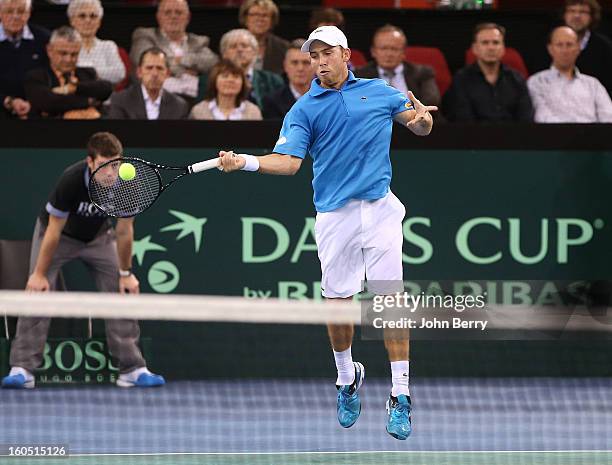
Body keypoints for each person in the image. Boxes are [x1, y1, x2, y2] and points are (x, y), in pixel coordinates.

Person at [217, 25, 437, 441]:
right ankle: (346, 377)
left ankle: (400, 394)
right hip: (335, 216)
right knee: (339, 307)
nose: (318, 61)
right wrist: (244, 161)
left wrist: (423, 120)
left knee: (392, 301)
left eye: (325, 53)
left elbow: (419, 125)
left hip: (380, 210)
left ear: (345, 55)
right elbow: (288, 163)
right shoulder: (303, 110)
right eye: (312, 56)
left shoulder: (381, 91)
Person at [1, 132, 165, 390]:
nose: (112, 172)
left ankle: (132, 368)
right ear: (90, 162)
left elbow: (124, 231)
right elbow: (53, 231)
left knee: (120, 292)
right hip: (58, 236)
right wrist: (40, 274)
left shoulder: (126, 182)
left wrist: (125, 272)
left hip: (98, 238)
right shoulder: (72, 179)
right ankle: (22, 368)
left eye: (116, 164)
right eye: (105, 165)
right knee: (37, 292)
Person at [129, 0, 218, 102]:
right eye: (168, 12)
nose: (173, 17)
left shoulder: (198, 41)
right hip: (155, 96)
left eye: (178, 12)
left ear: (188, 17)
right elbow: (145, 61)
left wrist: (182, 60)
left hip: (194, 99)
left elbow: (213, 62)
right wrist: (184, 71)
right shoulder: (145, 35)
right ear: (158, 17)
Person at [443, 23, 533, 122]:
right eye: (485, 43)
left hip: (514, 136)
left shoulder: (517, 79)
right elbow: (462, 119)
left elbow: (526, 118)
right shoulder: (461, 79)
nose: (491, 48)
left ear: (503, 48)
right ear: (475, 48)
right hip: (473, 135)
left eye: (496, 42)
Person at [24, 26, 112, 119]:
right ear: (49, 50)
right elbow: (49, 103)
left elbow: (106, 88)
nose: (68, 59)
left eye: (74, 54)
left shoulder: (88, 73)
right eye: (63, 53)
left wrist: (73, 88)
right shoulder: (35, 76)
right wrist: (88, 101)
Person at [527, 26, 612, 123]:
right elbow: (542, 117)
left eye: (569, 45)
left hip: (593, 136)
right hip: (553, 135)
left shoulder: (593, 84)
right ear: (550, 49)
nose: (565, 50)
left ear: (578, 48)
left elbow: (608, 117)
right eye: (559, 45)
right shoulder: (537, 82)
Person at [355, 24, 440, 110]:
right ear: (373, 51)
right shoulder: (360, 76)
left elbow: (432, 101)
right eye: (383, 48)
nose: (389, 54)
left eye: (394, 49)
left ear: (404, 52)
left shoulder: (422, 73)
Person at [0, 0, 50, 119]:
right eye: (9, 11)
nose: (15, 16)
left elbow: (51, 76)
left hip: (37, 108)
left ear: (29, 13)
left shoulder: (45, 39)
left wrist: (33, 104)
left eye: (21, 11)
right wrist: (8, 101)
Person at [108, 47, 188, 120]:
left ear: (167, 74)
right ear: (139, 72)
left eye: (159, 68)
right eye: (149, 68)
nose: (154, 74)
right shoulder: (120, 100)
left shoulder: (179, 106)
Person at [219, 28, 283, 110]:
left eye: (244, 46)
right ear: (224, 54)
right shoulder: (209, 80)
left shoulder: (272, 80)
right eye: (233, 46)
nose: (239, 50)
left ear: (255, 52)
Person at [67, 0, 125, 87]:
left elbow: (119, 74)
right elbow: (66, 74)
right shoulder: (66, 46)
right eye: (82, 16)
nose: (88, 20)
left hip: (106, 99)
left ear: (99, 22)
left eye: (93, 16)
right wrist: (102, 73)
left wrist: (86, 72)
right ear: (72, 21)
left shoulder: (108, 46)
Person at [563, 0, 612, 98]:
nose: (577, 16)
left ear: (592, 17)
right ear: (564, 15)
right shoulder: (551, 42)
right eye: (572, 11)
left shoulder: (605, 46)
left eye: (582, 12)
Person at [190, 59, 261, 120]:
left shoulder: (253, 112)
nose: (230, 80)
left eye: (236, 77)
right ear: (214, 80)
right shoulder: (198, 111)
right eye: (225, 76)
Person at [262, 39, 312, 119]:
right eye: (294, 63)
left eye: (306, 63)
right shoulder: (272, 102)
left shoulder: (328, 99)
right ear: (285, 66)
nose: (300, 68)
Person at [238, 0, 288, 75]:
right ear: (245, 18)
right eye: (254, 14)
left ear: (272, 21)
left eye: (265, 15)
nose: (260, 19)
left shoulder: (283, 47)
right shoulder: (233, 43)